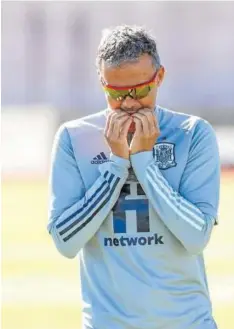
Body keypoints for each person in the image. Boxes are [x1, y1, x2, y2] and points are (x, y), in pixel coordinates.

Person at [48, 25, 220, 329]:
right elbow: (65, 242)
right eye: (115, 93)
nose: (128, 103)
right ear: (102, 82)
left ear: (160, 77)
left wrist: (143, 161)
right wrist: (116, 165)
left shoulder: (193, 133)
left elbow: (196, 237)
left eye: (140, 91)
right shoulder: (74, 138)